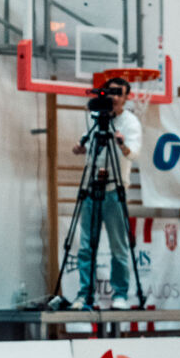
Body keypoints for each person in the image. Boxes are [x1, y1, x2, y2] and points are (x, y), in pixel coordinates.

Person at [70, 76, 142, 309]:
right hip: (92, 187)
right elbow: (91, 145)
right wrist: (80, 148)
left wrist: (121, 143)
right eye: (110, 92)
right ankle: (85, 295)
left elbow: (133, 154)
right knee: (85, 247)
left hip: (114, 190)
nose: (114, 97)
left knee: (118, 247)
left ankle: (120, 295)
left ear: (126, 97)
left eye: (119, 93)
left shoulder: (130, 122)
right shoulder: (96, 117)